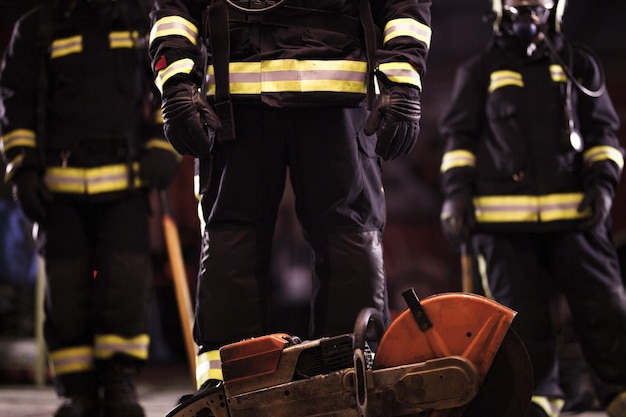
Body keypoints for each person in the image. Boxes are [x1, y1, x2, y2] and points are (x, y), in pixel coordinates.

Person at [148, 0, 431, 411]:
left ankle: (250, 388)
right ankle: (339, 384)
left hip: (259, 92)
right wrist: (176, 83)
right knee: (340, 234)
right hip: (309, 91)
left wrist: (403, 79)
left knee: (241, 235)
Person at [438, 0, 626, 416]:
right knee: (522, 326)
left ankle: (619, 394)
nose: (528, 12)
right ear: (500, 9)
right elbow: (458, 141)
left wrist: (603, 187)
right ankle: (537, 401)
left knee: (607, 311)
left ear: (554, 9)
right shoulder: (480, 70)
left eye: (537, 5)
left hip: (577, 220)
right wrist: (456, 196)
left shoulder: (580, 66)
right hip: (504, 229)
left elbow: (603, 136)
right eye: (519, 4)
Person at [0, 0, 181, 416]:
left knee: (125, 290)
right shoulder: (38, 28)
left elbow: (170, 83)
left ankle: (119, 384)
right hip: (58, 194)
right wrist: (23, 169)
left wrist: (161, 146)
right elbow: (16, 100)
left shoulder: (140, 22)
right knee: (66, 296)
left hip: (126, 189)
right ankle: (76, 393)